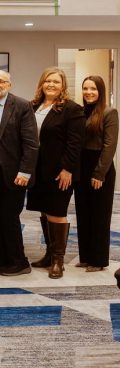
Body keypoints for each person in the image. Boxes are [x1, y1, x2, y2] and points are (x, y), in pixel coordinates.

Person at [0, 70, 39, 277]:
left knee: (9, 216)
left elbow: (31, 144)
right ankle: (2, 257)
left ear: (9, 85)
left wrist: (25, 171)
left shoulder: (21, 106)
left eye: (0, 81)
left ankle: (19, 261)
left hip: (14, 172)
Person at [27, 67, 84, 279]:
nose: (51, 85)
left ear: (63, 86)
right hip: (38, 169)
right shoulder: (34, 106)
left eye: (56, 82)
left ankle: (59, 261)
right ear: (42, 83)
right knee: (44, 209)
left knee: (57, 212)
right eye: (48, 81)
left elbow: (75, 143)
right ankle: (50, 254)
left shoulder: (72, 109)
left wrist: (67, 169)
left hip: (60, 171)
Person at [74, 76, 118, 272]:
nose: (88, 92)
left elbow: (110, 146)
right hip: (81, 167)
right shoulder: (80, 112)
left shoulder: (109, 112)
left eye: (93, 88)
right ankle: (85, 256)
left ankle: (98, 260)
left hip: (100, 168)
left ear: (100, 91)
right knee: (83, 213)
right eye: (85, 88)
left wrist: (99, 173)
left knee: (99, 215)